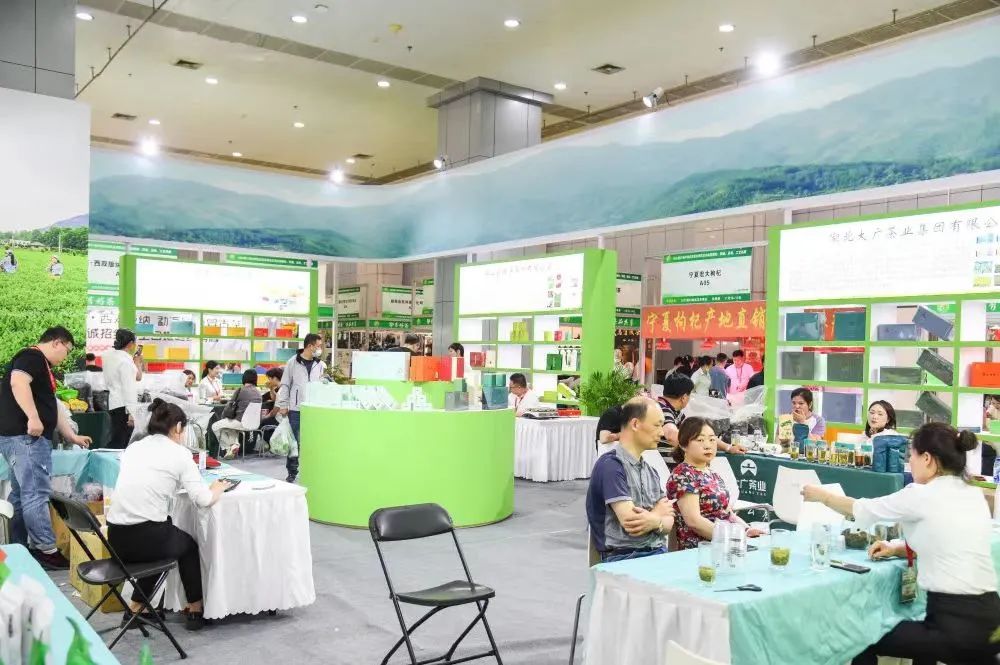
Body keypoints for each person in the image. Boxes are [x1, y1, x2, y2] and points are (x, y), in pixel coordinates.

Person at [802, 423, 1000, 665]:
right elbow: (949, 540)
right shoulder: (972, 493)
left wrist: (822, 496)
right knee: (926, 644)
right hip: (991, 621)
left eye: (911, 456)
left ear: (927, 459)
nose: (910, 462)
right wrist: (897, 548)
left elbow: (862, 509)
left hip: (955, 626)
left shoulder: (921, 494)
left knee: (860, 638)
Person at [107, 399, 232, 632]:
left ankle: (136, 608)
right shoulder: (180, 453)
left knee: (164, 535)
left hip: (116, 539)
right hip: (146, 540)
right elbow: (204, 499)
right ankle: (195, 609)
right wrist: (218, 488)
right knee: (186, 546)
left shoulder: (134, 447)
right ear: (178, 427)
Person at [0, 326, 92, 569]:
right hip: (27, 439)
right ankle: (46, 549)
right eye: (67, 350)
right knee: (35, 493)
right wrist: (33, 417)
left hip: (19, 438)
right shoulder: (32, 357)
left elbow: (51, 404)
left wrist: (71, 435)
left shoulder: (41, 365)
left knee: (21, 494)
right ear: (56, 342)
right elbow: (18, 382)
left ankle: (18, 546)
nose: (66, 356)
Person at [586, 397, 675, 562]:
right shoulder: (611, 466)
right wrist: (658, 516)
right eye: (657, 425)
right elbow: (631, 523)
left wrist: (654, 521)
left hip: (657, 553)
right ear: (635, 424)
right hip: (624, 558)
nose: (662, 433)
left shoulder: (651, 471)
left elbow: (669, 521)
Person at [667, 418, 764, 550]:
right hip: (701, 548)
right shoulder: (683, 475)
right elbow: (694, 521)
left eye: (712, 439)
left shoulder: (712, 474)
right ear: (684, 445)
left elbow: (727, 513)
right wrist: (732, 538)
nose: (708, 445)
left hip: (725, 542)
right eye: (700, 440)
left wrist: (746, 530)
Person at [277, 333, 327, 483]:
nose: (320, 349)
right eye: (318, 346)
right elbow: (285, 384)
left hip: (314, 409)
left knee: (313, 441)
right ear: (310, 346)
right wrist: (283, 404)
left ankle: (312, 469)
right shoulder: (293, 362)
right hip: (296, 409)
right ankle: (292, 471)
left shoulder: (320, 364)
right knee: (294, 442)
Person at [211, 370, 262, 459]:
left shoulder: (240, 390)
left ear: (244, 378)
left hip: (241, 422)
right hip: (255, 424)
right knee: (230, 427)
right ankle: (234, 446)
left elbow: (229, 405)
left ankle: (229, 447)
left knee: (215, 426)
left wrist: (223, 417)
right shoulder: (258, 393)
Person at [102, 329, 140, 449]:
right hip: (124, 406)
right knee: (122, 442)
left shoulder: (109, 357)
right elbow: (129, 389)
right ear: (130, 344)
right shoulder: (125, 362)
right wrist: (132, 413)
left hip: (113, 402)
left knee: (117, 438)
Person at [260, 367, 283, 444]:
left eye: (269, 379)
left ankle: (272, 444)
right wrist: (271, 389)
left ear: (275, 378)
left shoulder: (282, 391)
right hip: (282, 418)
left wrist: (265, 417)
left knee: (261, 424)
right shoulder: (282, 388)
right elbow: (275, 399)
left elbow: (274, 411)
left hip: (280, 419)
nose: (269, 381)